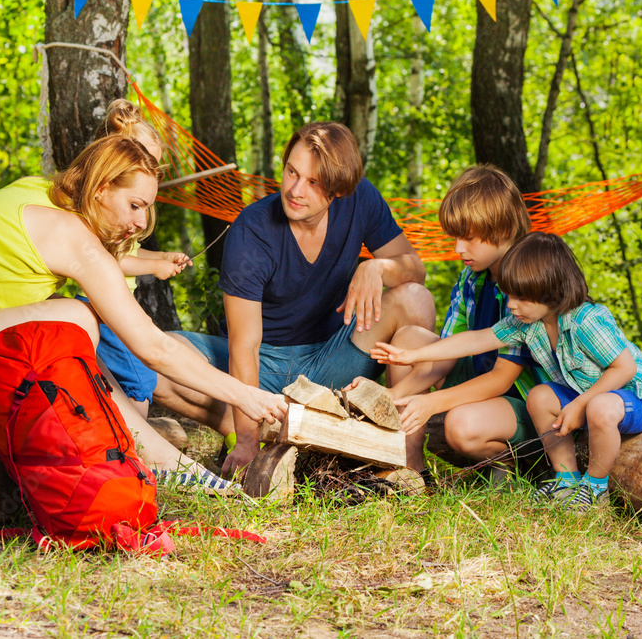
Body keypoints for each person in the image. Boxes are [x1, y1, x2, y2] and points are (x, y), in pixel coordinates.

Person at [0, 132, 288, 487]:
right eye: (135, 206)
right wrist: (248, 395)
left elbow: (110, 268)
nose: (140, 223)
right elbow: (153, 348)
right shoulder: (73, 237)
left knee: (66, 315)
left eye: (147, 210)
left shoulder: (46, 195)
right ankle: (153, 458)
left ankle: (143, 449)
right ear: (99, 190)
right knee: (76, 319)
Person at [153, 121, 435, 475]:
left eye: (313, 183)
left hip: (333, 359)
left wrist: (377, 268)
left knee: (416, 299)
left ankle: (405, 455)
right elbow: (245, 346)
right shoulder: (252, 229)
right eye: (291, 172)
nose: (296, 190)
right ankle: (279, 428)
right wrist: (245, 441)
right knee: (157, 355)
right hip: (263, 370)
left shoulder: (361, 198)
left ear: (339, 191)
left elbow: (414, 270)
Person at [373, 232, 642, 511]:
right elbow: (475, 340)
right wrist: (412, 355)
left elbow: (625, 368)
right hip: (588, 398)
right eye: (509, 295)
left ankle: (594, 488)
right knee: (540, 397)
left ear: (551, 291)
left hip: (637, 395)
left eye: (521, 297)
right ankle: (566, 479)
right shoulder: (527, 323)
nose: (511, 305)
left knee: (600, 407)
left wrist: (581, 403)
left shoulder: (586, 320)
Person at [348, 165, 543, 476]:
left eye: (468, 238)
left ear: (502, 229)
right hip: (480, 381)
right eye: (455, 237)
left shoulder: (528, 283)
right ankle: (409, 465)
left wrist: (430, 404)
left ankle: (515, 464)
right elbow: (447, 353)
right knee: (410, 337)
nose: (457, 249)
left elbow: (502, 380)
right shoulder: (472, 278)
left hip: (528, 405)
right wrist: (391, 395)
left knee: (460, 426)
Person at [72, 99, 193, 420]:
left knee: (130, 377)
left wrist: (161, 256)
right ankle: (134, 440)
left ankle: (130, 435)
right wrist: (154, 266)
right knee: (138, 379)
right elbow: (110, 261)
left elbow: (125, 252)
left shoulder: (116, 207)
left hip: (114, 301)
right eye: (145, 161)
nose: (149, 171)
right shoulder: (99, 210)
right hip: (99, 303)